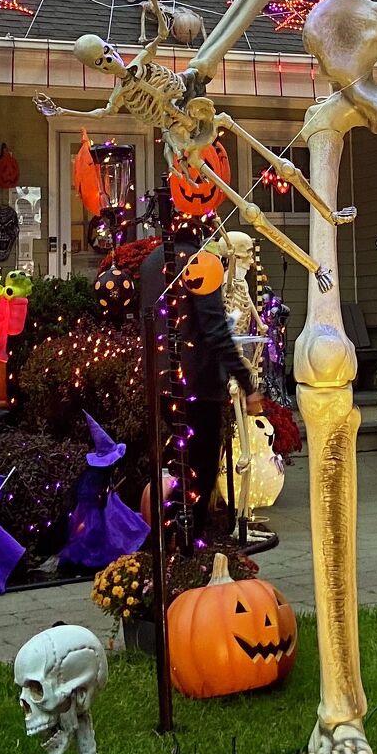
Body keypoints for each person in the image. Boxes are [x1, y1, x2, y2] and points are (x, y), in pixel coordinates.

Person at [138, 218, 254, 548]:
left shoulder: (151, 262)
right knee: (200, 472)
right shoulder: (202, 262)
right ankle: (190, 545)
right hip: (198, 385)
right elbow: (215, 328)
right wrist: (245, 378)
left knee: (178, 465)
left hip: (161, 383)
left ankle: (171, 540)